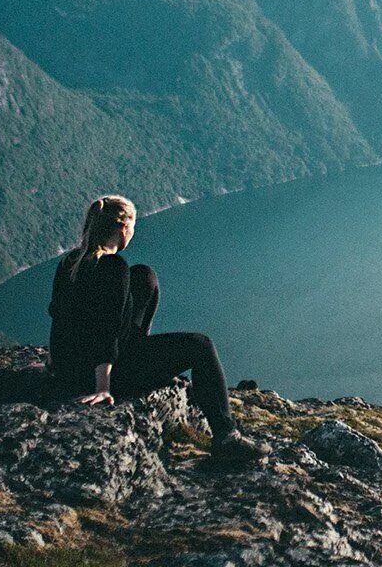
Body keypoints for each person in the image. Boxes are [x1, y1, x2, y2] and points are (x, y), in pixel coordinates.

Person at [46, 194, 260, 459]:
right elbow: (108, 330)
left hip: (71, 367)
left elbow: (60, 316)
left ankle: (140, 348)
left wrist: (55, 363)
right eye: (133, 226)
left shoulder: (71, 263)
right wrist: (103, 388)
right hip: (100, 374)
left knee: (144, 275)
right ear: (123, 228)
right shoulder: (114, 268)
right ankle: (227, 437)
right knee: (201, 345)